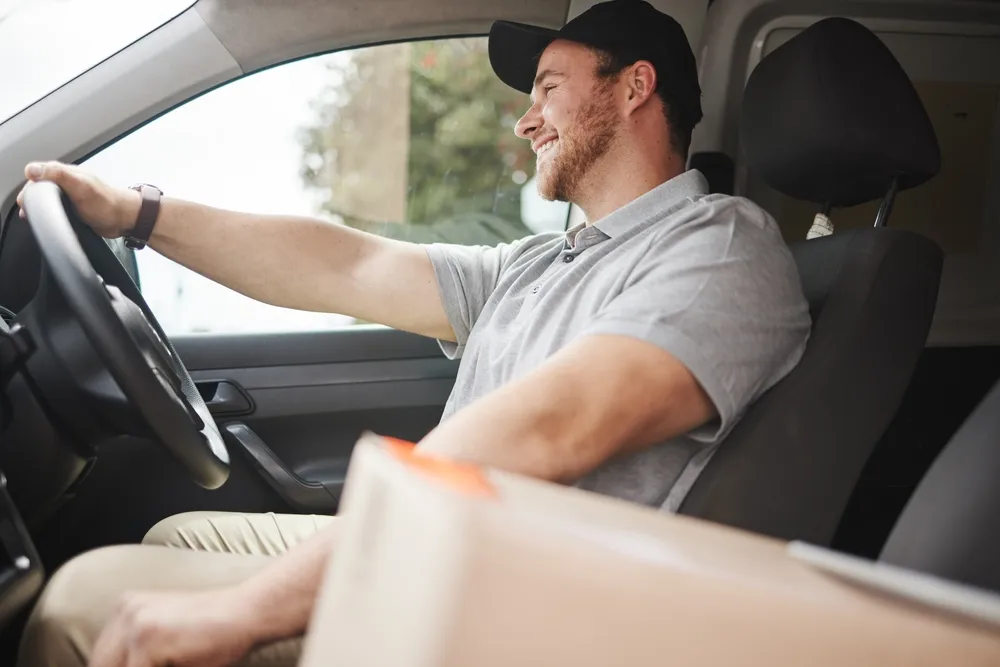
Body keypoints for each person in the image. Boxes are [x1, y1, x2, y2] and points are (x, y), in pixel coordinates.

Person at [15, 1, 810, 665]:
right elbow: (348, 265)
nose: (528, 120)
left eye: (549, 87)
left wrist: (251, 610)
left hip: (518, 609)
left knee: (83, 604)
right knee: (178, 534)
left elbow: (553, 427)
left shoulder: (719, 246)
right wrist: (138, 214)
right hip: (449, 556)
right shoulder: (542, 263)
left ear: (636, 87)